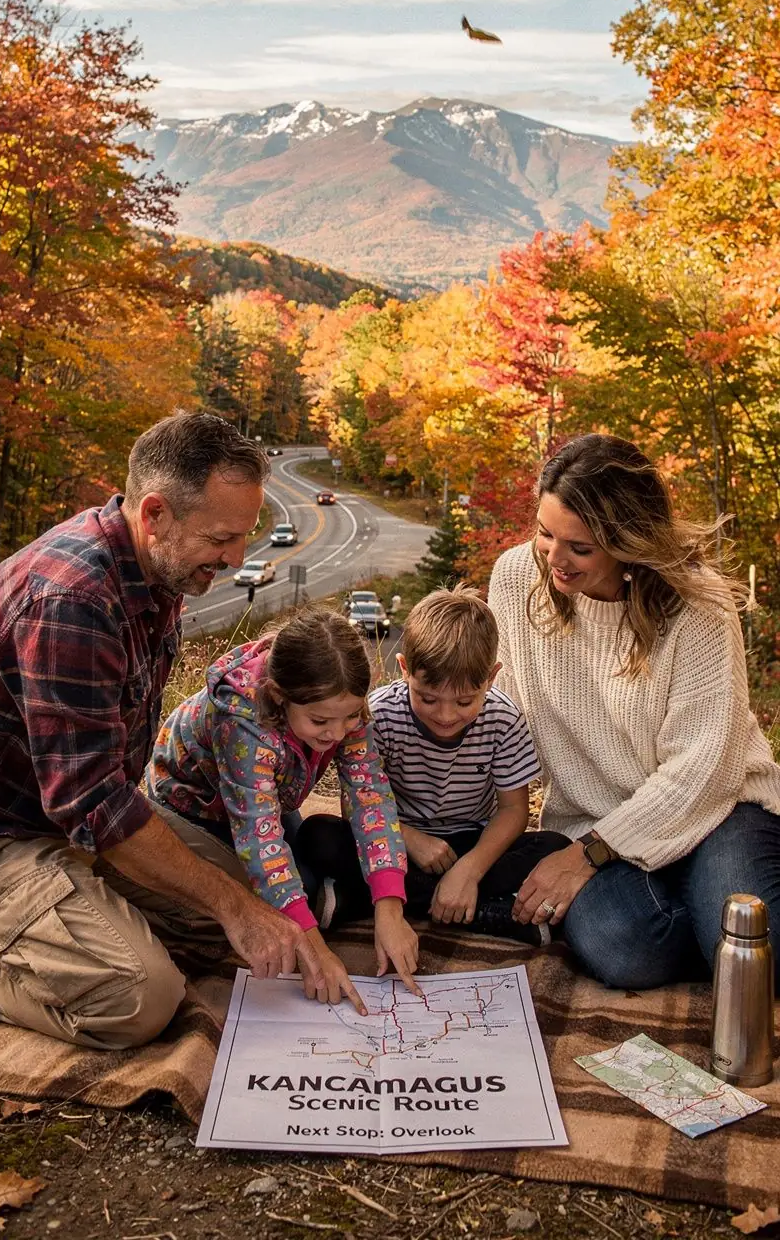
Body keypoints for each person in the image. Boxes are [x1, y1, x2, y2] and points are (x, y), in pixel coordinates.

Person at [0, 410, 326, 1049]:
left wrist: (237, 906)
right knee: (142, 998)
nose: (238, 557)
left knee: (262, 913)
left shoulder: (156, 571)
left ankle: (77, 921)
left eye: (245, 535)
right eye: (222, 538)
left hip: (66, 820)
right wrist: (231, 908)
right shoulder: (71, 602)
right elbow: (94, 805)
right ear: (154, 513)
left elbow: (101, 795)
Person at [488, 433, 780, 990]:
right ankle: (696, 912)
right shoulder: (514, 579)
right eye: (546, 535)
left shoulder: (699, 608)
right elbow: (507, 721)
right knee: (624, 952)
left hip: (718, 808)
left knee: (759, 954)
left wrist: (588, 856)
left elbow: (703, 769)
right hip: (594, 824)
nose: (555, 560)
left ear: (628, 541)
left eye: (580, 547)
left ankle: (708, 905)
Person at [145, 609, 419, 1014]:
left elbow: (370, 796)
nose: (338, 734)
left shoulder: (340, 705)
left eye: (350, 718)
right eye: (321, 721)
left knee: (298, 888)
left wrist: (391, 907)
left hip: (266, 796)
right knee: (285, 904)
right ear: (277, 697)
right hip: (191, 810)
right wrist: (314, 950)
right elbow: (259, 838)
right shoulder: (241, 722)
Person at [294, 587, 568, 942]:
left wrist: (469, 870)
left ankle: (363, 900)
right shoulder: (381, 716)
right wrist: (409, 839)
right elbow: (357, 806)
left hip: (472, 841)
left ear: (491, 677)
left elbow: (513, 810)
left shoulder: (504, 718)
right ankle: (484, 912)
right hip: (393, 839)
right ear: (405, 669)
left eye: (465, 701)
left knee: (554, 846)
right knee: (318, 835)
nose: (445, 715)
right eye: (428, 698)